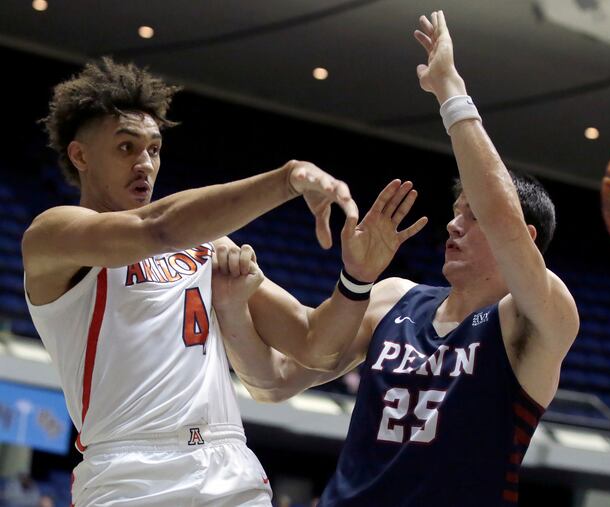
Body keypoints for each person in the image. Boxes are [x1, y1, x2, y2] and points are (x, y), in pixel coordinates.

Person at [213, 11, 579, 507]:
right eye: (455, 213)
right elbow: (273, 381)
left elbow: (502, 216)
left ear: (524, 237)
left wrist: (451, 90)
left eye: (470, 217)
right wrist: (234, 308)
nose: (453, 224)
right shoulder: (395, 299)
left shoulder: (536, 318)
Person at [22, 58, 425, 506]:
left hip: (227, 462)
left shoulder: (209, 244)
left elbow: (314, 344)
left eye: (154, 148)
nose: (144, 163)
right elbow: (155, 228)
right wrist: (287, 179)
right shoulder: (53, 234)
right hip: (130, 470)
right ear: (80, 156)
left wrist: (357, 278)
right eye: (125, 148)